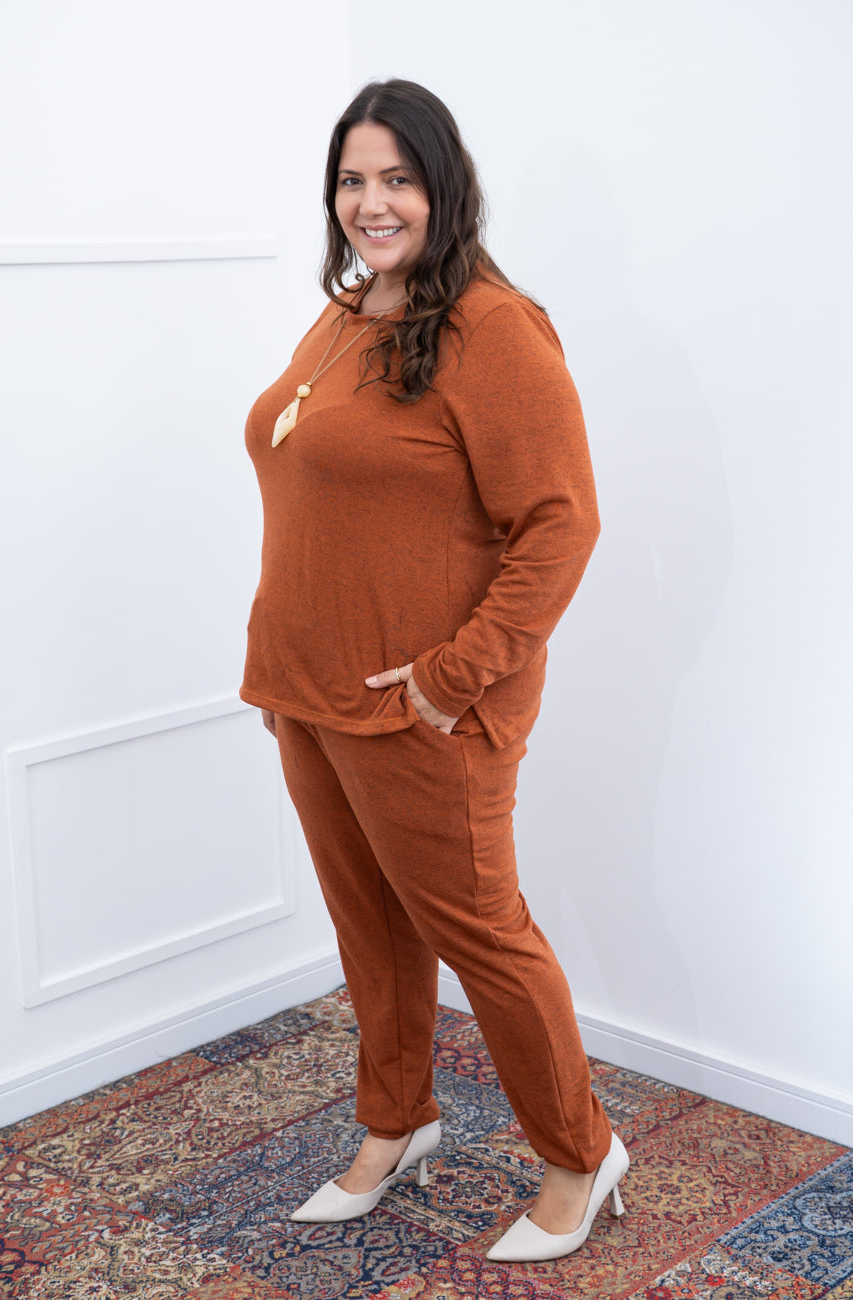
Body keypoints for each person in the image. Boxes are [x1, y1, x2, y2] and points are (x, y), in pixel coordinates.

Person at [239, 78, 628, 1263]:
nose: (373, 202)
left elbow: (561, 523)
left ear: (444, 187)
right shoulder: (348, 313)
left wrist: (455, 676)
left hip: (424, 710)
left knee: (482, 935)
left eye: (398, 178)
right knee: (371, 926)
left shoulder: (494, 327)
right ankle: (396, 1120)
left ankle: (581, 1154)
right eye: (352, 180)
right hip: (307, 691)